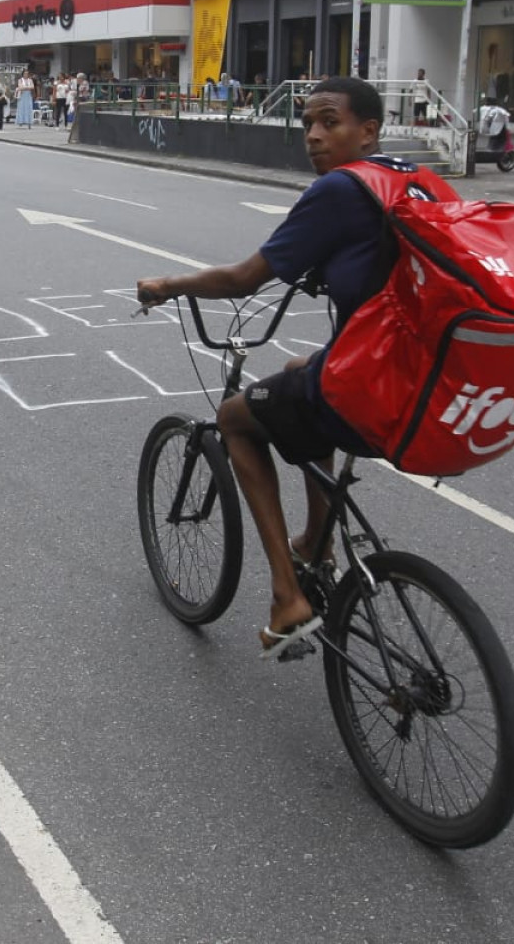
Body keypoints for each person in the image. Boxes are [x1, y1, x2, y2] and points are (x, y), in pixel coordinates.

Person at [136, 77, 418, 658]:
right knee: (300, 368)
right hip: (416, 375)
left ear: (368, 130)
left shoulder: (341, 190)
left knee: (237, 418)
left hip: (370, 383)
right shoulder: (411, 181)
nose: (313, 135)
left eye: (329, 122)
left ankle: (287, 596)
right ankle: (316, 542)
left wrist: (168, 284)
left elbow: (244, 279)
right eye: (307, 122)